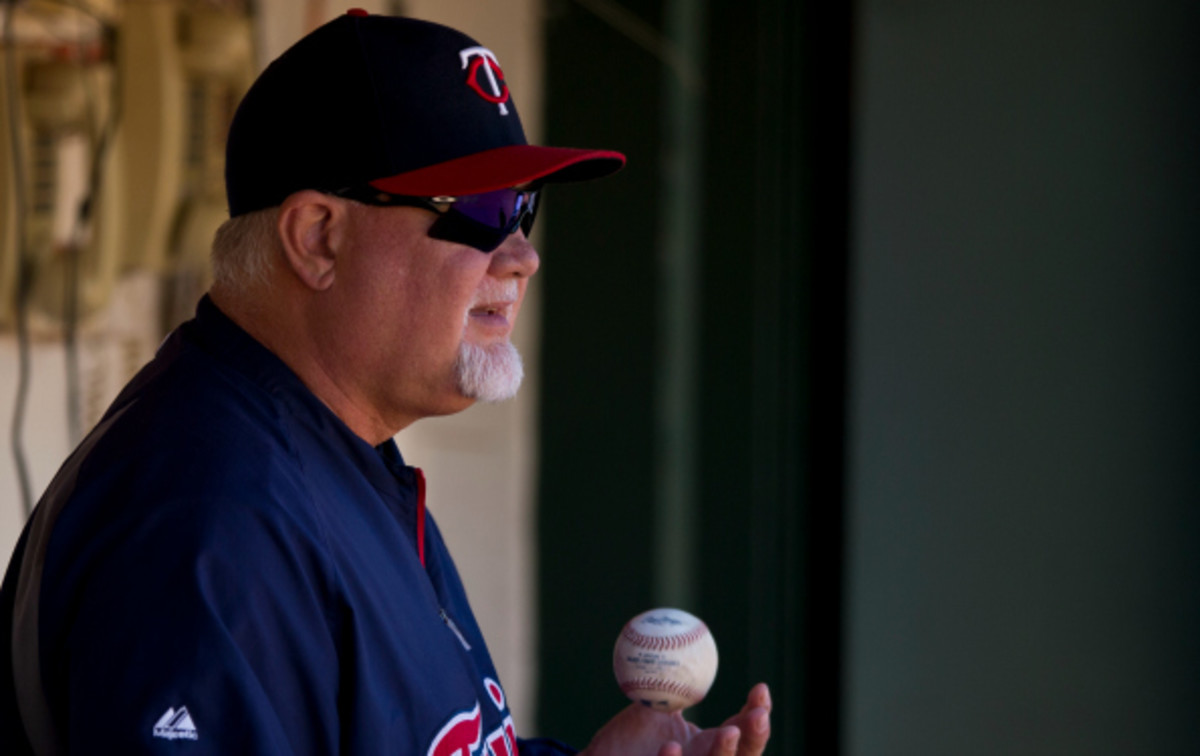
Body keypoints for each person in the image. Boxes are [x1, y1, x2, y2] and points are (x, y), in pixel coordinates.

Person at [0, 10, 771, 755]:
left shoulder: (335, 454)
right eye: (479, 208)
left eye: (523, 207)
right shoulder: (211, 525)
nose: (520, 255)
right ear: (317, 238)